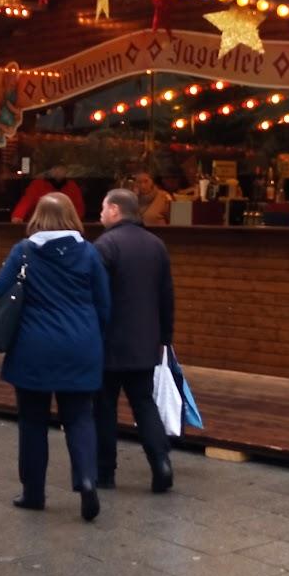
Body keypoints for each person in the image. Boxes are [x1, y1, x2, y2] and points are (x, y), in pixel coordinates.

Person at [0, 192, 109, 521]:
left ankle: (33, 493)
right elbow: (104, 303)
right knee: (80, 417)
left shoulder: (24, 251)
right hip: (81, 346)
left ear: (37, 217)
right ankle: (86, 479)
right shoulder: (89, 253)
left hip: (32, 348)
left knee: (32, 422)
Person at [94, 188, 174, 493]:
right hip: (145, 341)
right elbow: (167, 297)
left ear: (115, 210)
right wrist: (165, 336)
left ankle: (105, 472)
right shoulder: (157, 245)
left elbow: (96, 297)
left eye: (103, 208)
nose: (100, 214)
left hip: (110, 342)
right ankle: (161, 463)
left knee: (104, 406)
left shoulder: (105, 245)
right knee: (144, 403)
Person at [12, 163, 85, 223]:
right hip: (41, 223)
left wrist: (72, 222)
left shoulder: (72, 186)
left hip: (65, 225)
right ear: (49, 171)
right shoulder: (38, 184)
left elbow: (78, 207)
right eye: (54, 169)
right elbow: (27, 201)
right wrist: (18, 216)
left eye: (61, 169)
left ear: (66, 171)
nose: (57, 172)